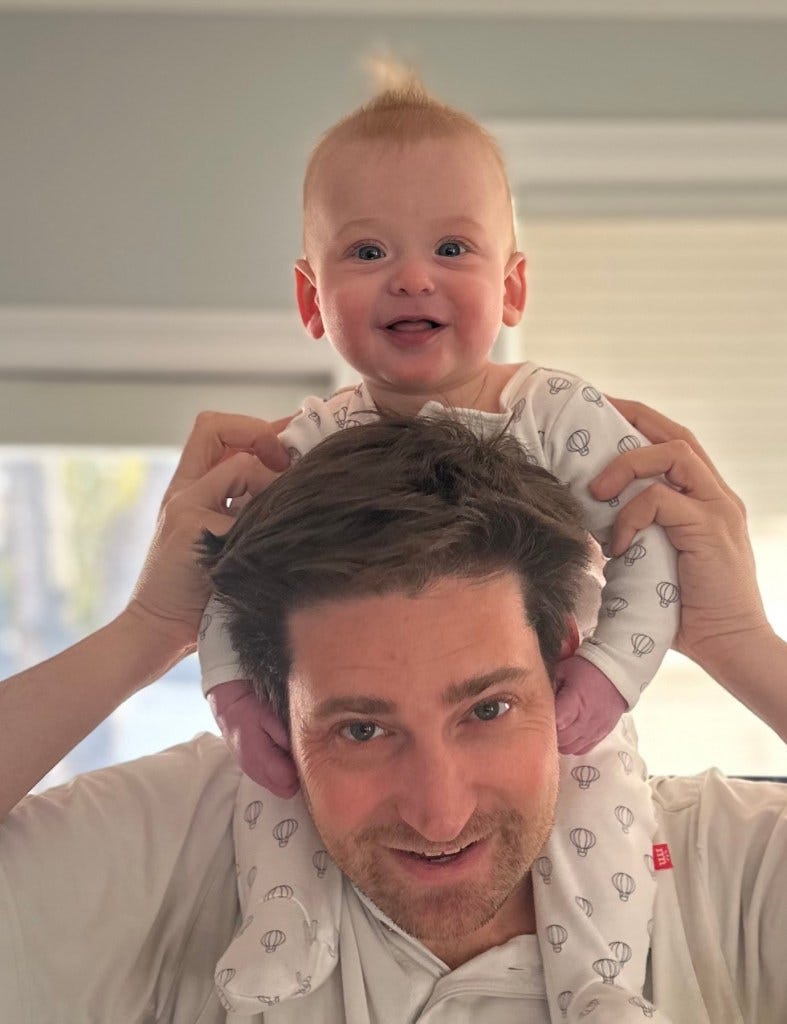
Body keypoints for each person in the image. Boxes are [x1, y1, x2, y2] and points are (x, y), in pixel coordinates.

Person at [0, 404, 784, 1024]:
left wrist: (739, 644)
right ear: (273, 710)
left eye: (486, 709)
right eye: (361, 730)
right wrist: (145, 632)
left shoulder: (723, 870)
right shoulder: (181, 847)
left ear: (562, 668)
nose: (439, 815)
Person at [198, 71, 680, 1022]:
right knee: (275, 783)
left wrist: (612, 673)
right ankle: (283, 929)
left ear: (511, 286)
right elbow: (227, 576)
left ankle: (600, 982)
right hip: (350, 721)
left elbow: (647, 548)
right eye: (368, 250)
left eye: (451, 248)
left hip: (555, 693)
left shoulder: (559, 415)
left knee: (601, 800)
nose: (412, 277)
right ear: (310, 299)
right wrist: (230, 691)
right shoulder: (303, 444)